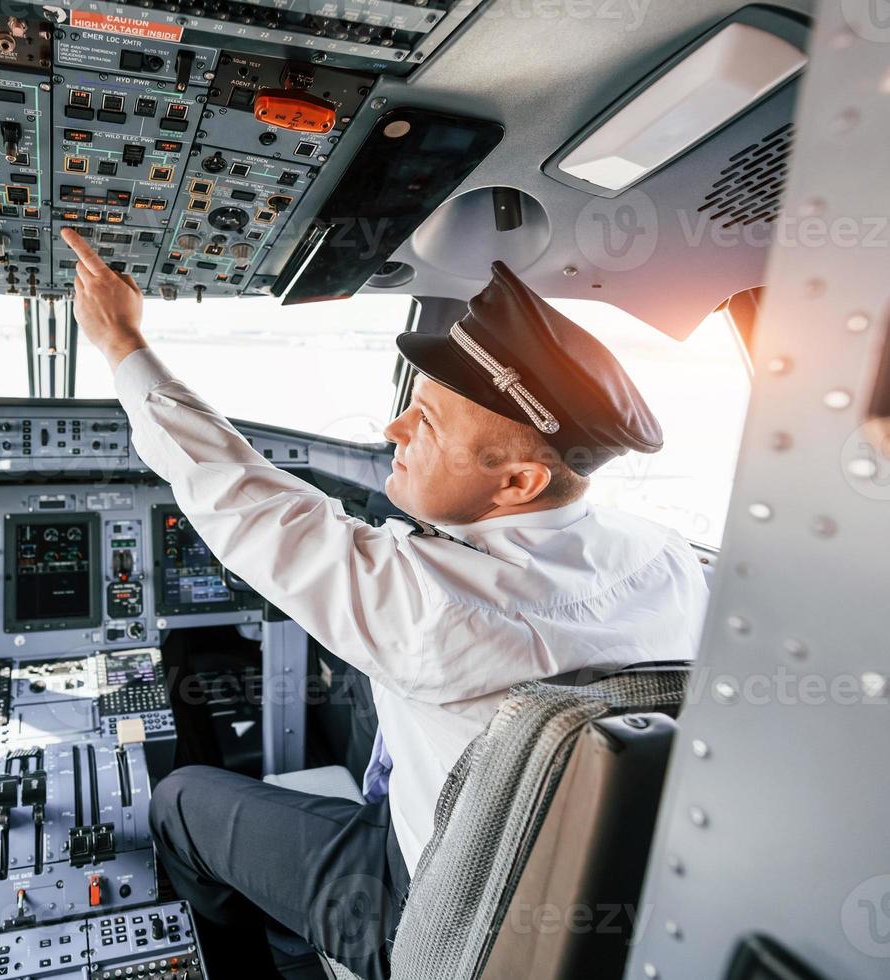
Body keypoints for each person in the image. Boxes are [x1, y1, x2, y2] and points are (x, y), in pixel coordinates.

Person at [58, 228, 709, 979]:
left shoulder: (432, 606)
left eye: (424, 424)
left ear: (518, 484)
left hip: (433, 911)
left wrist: (121, 340)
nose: (391, 429)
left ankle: (282, 956)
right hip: (567, 876)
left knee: (177, 800)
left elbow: (237, 498)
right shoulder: (663, 552)